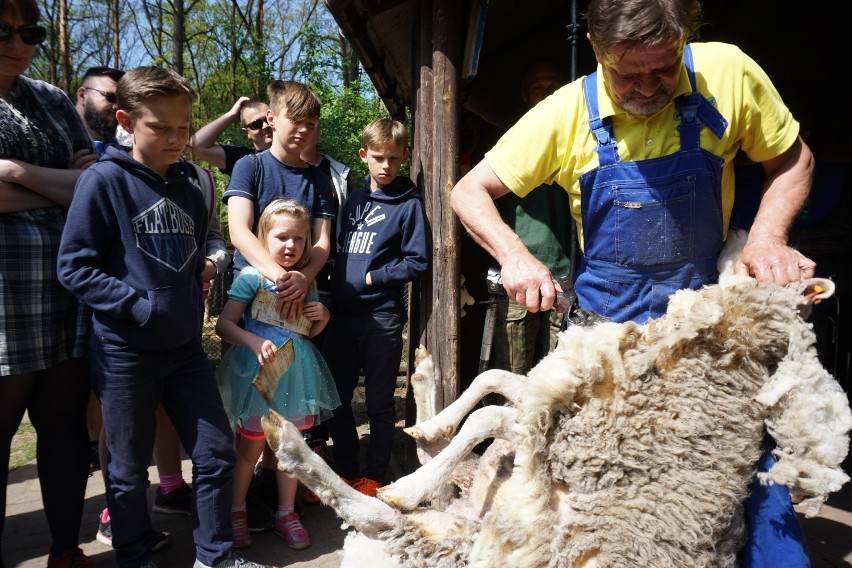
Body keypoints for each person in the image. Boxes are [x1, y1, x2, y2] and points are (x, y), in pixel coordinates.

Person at [449, 1, 816, 566]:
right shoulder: (564, 113)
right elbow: (468, 191)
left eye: (664, 70)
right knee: (599, 504)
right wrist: (516, 256)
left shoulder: (728, 74)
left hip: (704, 338)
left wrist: (767, 237)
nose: (648, 87)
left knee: (749, 485)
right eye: (628, 74)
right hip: (606, 343)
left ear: (685, 41)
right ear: (596, 51)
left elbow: (793, 159)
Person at [57, 66, 269, 568]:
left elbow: (201, 247)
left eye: (183, 127)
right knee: (128, 471)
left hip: (185, 350)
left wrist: (208, 267)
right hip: (125, 351)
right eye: (161, 127)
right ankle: (133, 555)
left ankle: (214, 558)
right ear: (127, 120)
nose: (176, 138)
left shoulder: (190, 187)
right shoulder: (102, 182)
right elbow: (74, 267)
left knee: (216, 454)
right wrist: (140, 305)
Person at [0, 1, 99, 567]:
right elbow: (78, 182)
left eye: (30, 31)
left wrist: (14, 173)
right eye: (3, 30)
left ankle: (66, 549)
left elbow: (93, 181)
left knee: (62, 429)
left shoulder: (53, 99)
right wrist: (62, 184)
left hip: (65, 289)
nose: (18, 42)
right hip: (5, 294)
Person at [222, 79, 335, 528]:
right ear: (272, 118)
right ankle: (241, 506)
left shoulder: (319, 176)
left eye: (312, 124)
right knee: (252, 427)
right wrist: (277, 275)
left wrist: (302, 280)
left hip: (298, 297)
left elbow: (322, 241)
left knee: (289, 426)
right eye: (295, 121)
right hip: (255, 294)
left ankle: (280, 505)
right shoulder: (250, 167)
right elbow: (240, 231)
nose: (303, 131)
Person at [215, 198, 340, 550]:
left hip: (296, 377)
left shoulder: (305, 282)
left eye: (299, 239)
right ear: (264, 238)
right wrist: (253, 341)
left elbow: (306, 333)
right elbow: (224, 325)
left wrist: (323, 319)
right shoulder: (252, 277)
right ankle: (236, 511)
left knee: (291, 450)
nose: (290, 246)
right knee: (249, 451)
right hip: (260, 377)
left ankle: (287, 512)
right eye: (282, 237)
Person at [322, 118, 429, 497]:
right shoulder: (353, 200)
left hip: (380, 315)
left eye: (394, 159)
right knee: (335, 398)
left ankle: (375, 475)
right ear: (363, 155)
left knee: (380, 401)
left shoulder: (408, 203)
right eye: (379, 158)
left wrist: (373, 278)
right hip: (341, 315)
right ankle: (349, 468)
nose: (386, 166)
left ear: (404, 158)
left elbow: (418, 261)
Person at [491, 60, 573, 375]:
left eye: (553, 87)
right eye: (538, 88)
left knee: (564, 383)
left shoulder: (582, 142)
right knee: (513, 379)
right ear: (525, 94)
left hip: (569, 280)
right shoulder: (506, 145)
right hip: (517, 281)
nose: (546, 94)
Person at [188, 96, 273, 176]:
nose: (266, 126)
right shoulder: (241, 160)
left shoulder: (286, 154)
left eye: (269, 119)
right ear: (247, 132)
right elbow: (195, 145)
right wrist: (231, 115)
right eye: (256, 124)